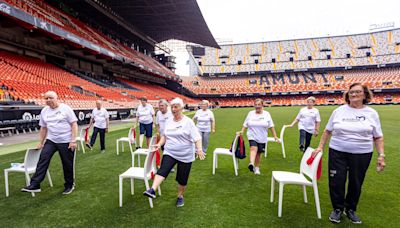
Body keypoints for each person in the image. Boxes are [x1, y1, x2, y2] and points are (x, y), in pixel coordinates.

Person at [313, 83, 385, 224]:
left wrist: (381, 155)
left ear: (364, 95)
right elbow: (327, 131)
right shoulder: (339, 111)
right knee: (336, 181)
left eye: (357, 92)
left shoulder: (371, 113)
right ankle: (337, 209)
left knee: (356, 182)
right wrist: (320, 147)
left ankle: (350, 209)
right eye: (351, 92)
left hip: (362, 153)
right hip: (337, 151)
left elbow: (378, 137)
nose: (353, 94)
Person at [143, 97, 205, 207]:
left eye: (176, 107)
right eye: (172, 107)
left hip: (185, 155)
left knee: (182, 179)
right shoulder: (169, 121)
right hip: (170, 151)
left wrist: (199, 149)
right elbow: (165, 136)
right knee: (163, 170)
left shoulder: (188, 122)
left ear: (181, 108)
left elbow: (197, 138)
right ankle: (152, 190)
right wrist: (159, 144)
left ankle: (180, 196)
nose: (173, 109)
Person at [21, 91, 78, 194]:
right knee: (43, 159)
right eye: (46, 98)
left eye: (50, 98)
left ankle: (69, 185)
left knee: (67, 164)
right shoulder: (44, 111)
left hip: (66, 141)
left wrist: (73, 140)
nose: (48, 100)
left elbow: (74, 125)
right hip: (51, 140)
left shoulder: (66, 109)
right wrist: (41, 142)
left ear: (57, 98)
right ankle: (35, 184)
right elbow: (43, 128)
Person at [238, 98, 279, 175]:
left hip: (262, 137)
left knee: (258, 153)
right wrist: (242, 131)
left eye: (259, 105)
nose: (257, 106)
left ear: (262, 105)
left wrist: (275, 136)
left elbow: (271, 126)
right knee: (253, 148)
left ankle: (257, 168)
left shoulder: (267, 114)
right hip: (252, 135)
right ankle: (251, 164)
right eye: (255, 105)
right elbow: (245, 124)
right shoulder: (250, 113)